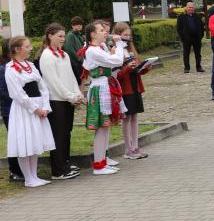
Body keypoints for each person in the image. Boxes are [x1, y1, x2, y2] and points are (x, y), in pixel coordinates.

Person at [5, 36, 55, 187]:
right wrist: (35, 108)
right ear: (17, 49)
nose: (30, 49)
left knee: (35, 141)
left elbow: (43, 87)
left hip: (39, 107)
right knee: (25, 142)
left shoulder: (31, 66)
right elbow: (17, 93)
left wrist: (45, 106)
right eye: (27, 46)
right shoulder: (10, 69)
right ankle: (28, 178)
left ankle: (34, 176)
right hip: (24, 110)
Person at [81, 23, 128, 175]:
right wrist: (119, 44)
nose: (105, 32)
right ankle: (98, 165)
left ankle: (102, 161)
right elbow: (116, 61)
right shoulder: (92, 51)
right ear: (92, 34)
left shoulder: (99, 48)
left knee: (105, 127)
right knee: (101, 128)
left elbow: (113, 61)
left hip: (104, 87)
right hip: (100, 89)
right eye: (101, 30)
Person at [39, 23, 84, 179]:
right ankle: (58, 170)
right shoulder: (47, 56)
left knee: (66, 133)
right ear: (50, 36)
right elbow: (53, 82)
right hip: (56, 100)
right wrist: (70, 96)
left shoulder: (63, 54)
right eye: (59, 36)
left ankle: (65, 162)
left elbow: (71, 77)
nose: (63, 39)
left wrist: (77, 94)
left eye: (64, 36)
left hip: (67, 100)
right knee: (58, 135)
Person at [112, 22, 151, 160]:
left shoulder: (131, 49)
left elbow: (138, 69)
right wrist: (128, 68)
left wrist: (145, 67)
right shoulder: (115, 50)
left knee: (135, 117)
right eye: (125, 35)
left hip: (135, 87)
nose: (127, 38)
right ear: (118, 35)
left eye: (129, 35)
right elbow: (116, 75)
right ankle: (128, 149)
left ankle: (135, 146)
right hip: (125, 89)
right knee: (126, 118)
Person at [0, 40, 24, 182]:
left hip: (21, 108)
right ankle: (14, 171)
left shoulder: (19, 66)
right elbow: (3, 92)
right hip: (9, 110)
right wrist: (18, 99)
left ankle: (23, 169)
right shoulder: (3, 69)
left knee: (22, 139)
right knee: (14, 140)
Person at [177, 1, 204, 73]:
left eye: (192, 7)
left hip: (197, 38)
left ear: (194, 8)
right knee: (186, 54)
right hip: (186, 38)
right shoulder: (181, 17)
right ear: (186, 8)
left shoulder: (197, 16)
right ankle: (186, 68)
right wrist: (182, 37)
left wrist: (201, 35)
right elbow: (179, 28)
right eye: (189, 7)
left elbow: (201, 26)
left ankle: (198, 67)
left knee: (198, 53)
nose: (191, 9)